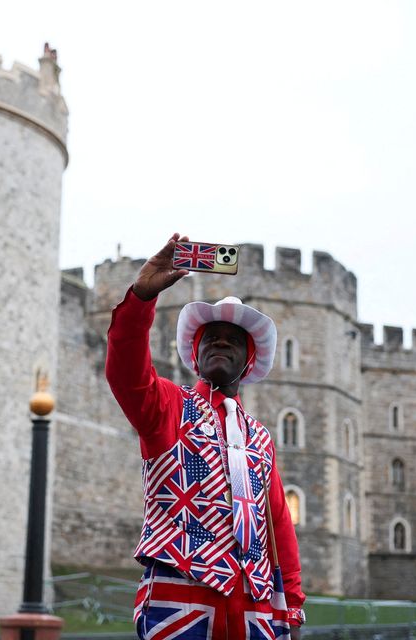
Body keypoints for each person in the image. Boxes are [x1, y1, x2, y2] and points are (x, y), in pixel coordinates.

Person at [105, 233, 305, 640]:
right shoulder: (168, 405)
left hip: (255, 607)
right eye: (210, 338)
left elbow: (278, 523)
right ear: (194, 356)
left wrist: (293, 608)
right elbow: (125, 370)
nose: (220, 343)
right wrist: (141, 298)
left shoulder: (261, 437)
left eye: (233, 341)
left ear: (248, 361)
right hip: (180, 599)